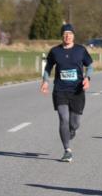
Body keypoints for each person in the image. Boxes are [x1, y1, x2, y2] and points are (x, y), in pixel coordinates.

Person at [40, 23, 93, 163]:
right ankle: (67, 150)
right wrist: (45, 81)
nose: (67, 36)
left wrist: (87, 78)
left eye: (70, 34)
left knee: (74, 123)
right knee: (63, 118)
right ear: (62, 36)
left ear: (73, 36)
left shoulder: (80, 50)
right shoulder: (55, 51)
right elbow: (48, 68)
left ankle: (72, 130)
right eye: (65, 34)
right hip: (60, 90)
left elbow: (90, 65)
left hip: (77, 91)